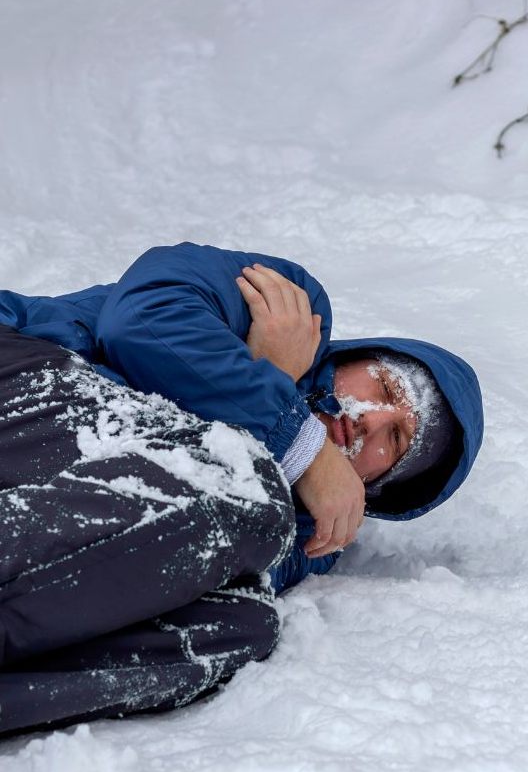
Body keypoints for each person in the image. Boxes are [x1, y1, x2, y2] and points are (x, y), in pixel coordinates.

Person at [0, 244, 483, 736]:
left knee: (239, 625)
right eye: (384, 387)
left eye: (397, 440)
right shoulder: (292, 306)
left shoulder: (307, 534)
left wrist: (274, 424)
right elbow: (140, 322)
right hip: (29, 368)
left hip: (45, 487)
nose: (370, 420)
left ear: (377, 487)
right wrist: (296, 436)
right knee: (244, 496)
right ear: (360, 358)